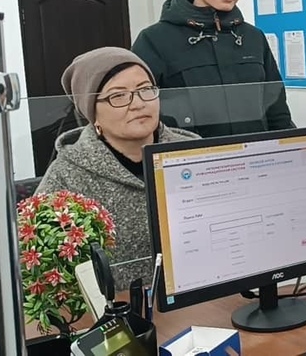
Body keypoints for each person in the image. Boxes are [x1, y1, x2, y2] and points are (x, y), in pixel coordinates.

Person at [36, 47, 198, 291]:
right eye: (118, 96)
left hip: (205, 297)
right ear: (92, 113)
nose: (138, 104)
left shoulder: (193, 151)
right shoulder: (66, 176)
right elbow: (40, 266)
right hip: (118, 309)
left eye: (145, 90)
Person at [132, 0, 293, 138]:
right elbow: (138, 114)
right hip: (189, 156)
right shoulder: (154, 40)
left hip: (255, 155)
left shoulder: (253, 38)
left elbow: (278, 113)